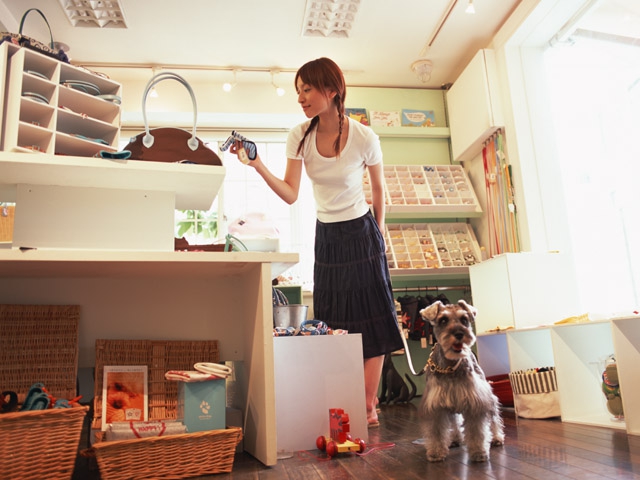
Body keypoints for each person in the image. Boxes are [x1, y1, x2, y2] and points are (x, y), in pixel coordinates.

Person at [230, 57, 403, 427]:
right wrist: (257, 165)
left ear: (332, 90)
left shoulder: (364, 137)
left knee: (374, 316)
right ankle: (345, 403)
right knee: (334, 320)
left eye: (307, 89)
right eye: (298, 91)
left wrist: (380, 232)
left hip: (362, 232)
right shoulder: (300, 135)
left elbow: (378, 189)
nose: (301, 97)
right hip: (327, 236)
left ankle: (368, 404)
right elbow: (291, 194)